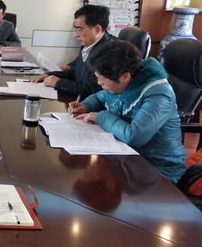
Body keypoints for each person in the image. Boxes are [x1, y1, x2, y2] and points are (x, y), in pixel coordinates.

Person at [68, 40, 187, 184]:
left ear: (125, 76)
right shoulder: (125, 80)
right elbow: (100, 97)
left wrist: (100, 116)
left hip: (157, 169)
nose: (99, 83)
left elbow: (134, 136)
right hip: (128, 159)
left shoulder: (159, 95)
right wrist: (86, 106)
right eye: (98, 77)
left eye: (103, 81)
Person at [30, 4, 113, 99]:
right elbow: (74, 73)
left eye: (79, 30)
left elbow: (92, 90)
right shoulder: (88, 45)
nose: (76, 35)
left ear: (97, 29)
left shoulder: (109, 53)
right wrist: (49, 75)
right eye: (75, 29)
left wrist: (58, 83)